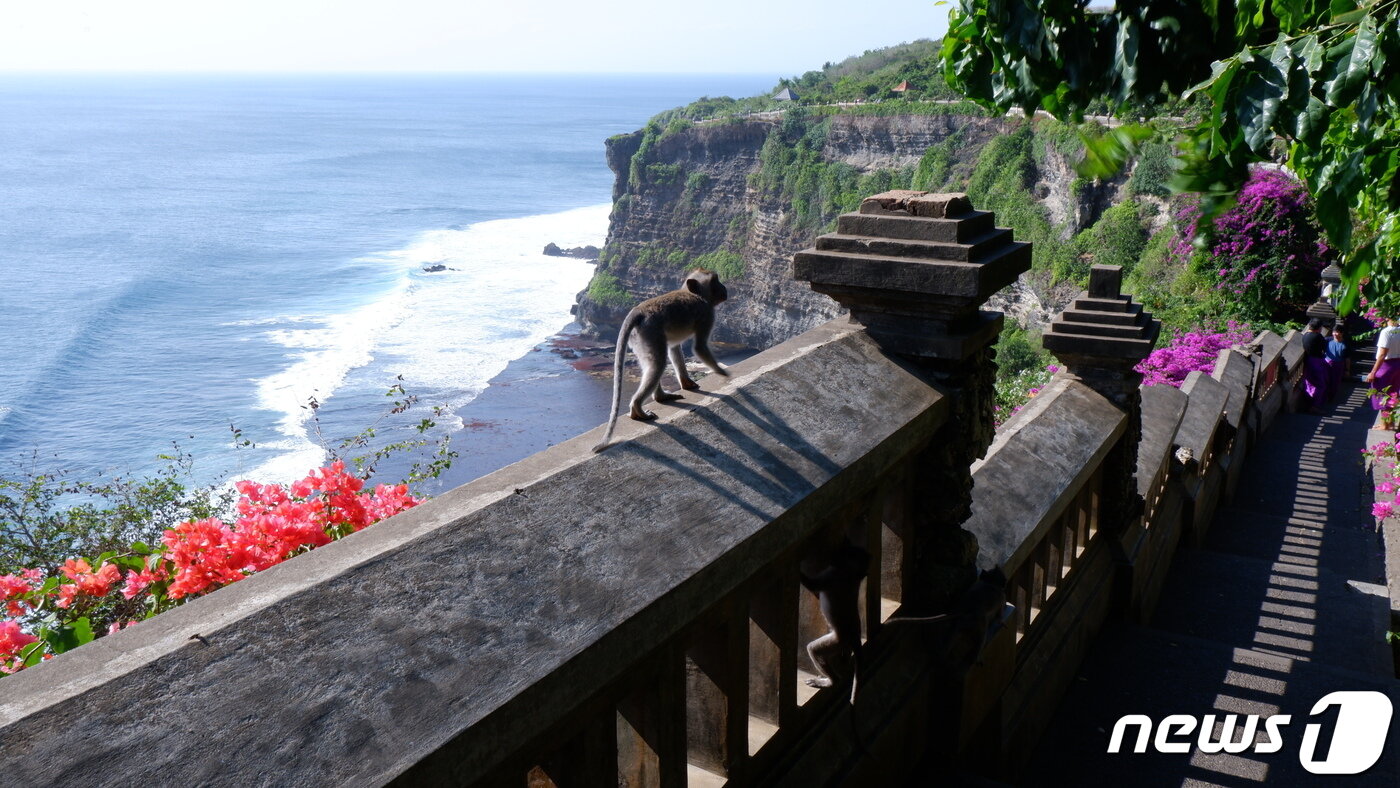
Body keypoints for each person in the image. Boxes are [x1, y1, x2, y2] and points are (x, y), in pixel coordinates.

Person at [1367, 317, 1400, 410]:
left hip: (1386, 366)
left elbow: (1382, 354)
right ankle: (1388, 423)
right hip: (1398, 364)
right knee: (1393, 393)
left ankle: (1385, 424)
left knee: (1382, 393)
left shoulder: (1387, 331)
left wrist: (1373, 372)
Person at [1300, 318, 1331, 413]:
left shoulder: (1305, 335)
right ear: (1319, 328)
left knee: (1309, 384)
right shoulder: (1317, 336)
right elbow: (1325, 347)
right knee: (1320, 384)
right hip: (1316, 362)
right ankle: (1315, 406)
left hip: (1308, 361)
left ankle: (1308, 404)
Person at [1325, 325, 1350, 400]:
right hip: (1326, 364)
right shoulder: (1327, 340)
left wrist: (1347, 370)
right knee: (1325, 380)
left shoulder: (1345, 345)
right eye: (1333, 332)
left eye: (1337, 332)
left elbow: (1347, 358)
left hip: (1338, 365)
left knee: (1335, 382)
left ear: (1342, 333)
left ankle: (1331, 397)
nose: (1334, 334)